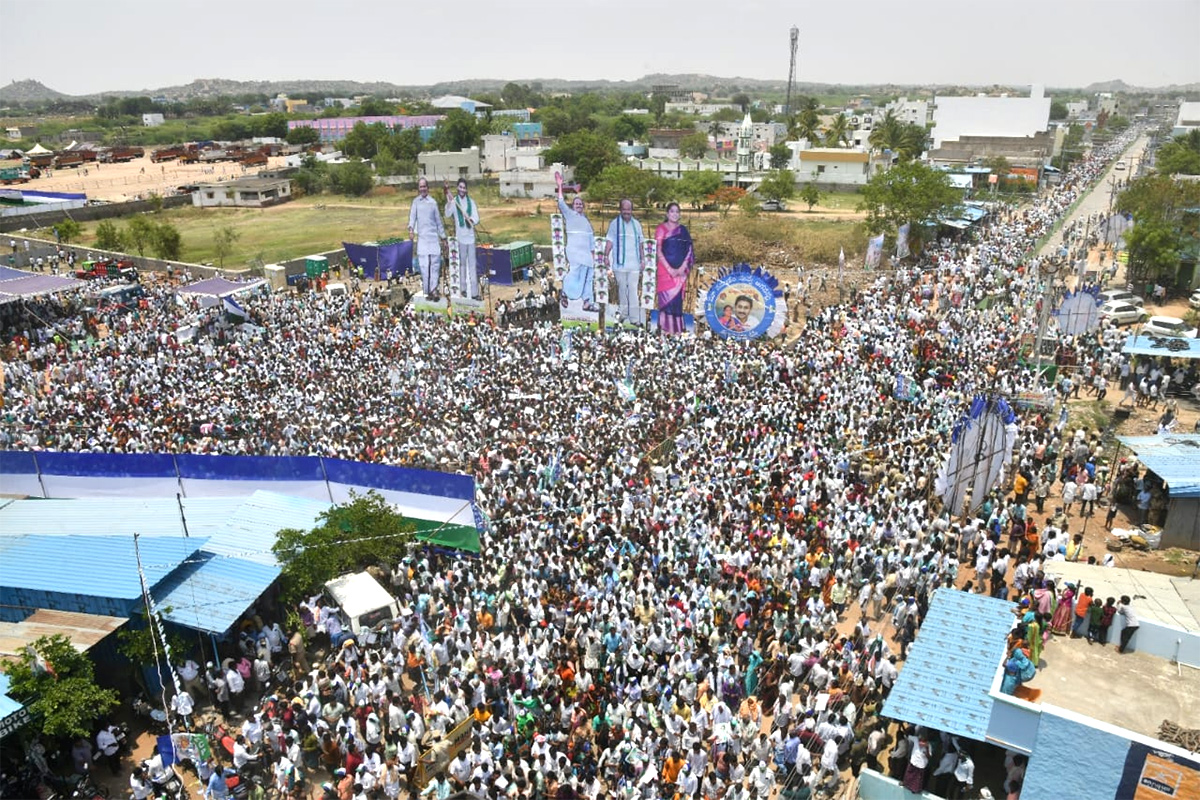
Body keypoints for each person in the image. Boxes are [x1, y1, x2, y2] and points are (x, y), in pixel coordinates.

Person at [555, 172, 597, 312]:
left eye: (580, 204)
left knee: (589, 276)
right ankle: (565, 294)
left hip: (586, 254)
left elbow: (591, 241)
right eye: (576, 203)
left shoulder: (586, 222)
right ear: (573, 206)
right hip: (574, 252)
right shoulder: (570, 215)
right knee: (575, 275)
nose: (579, 205)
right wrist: (560, 185)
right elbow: (561, 203)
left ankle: (587, 301)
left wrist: (593, 256)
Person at [655, 202, 694, 333]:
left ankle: (676, 330)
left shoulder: (683, 230)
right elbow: (658, 250)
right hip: (665, 273)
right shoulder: (661, 229)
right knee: (666, 302)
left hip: (680, 274)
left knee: (677, 302)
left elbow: (689, 250)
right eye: (672, 211)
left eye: (677, 211)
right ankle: (664, 330)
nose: (675, 214)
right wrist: (670, 269)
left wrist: (682, 267)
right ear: (667, 214)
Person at [605, 198, 645, 323]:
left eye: (629, 209)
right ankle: (624, 315)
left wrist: (643, 259)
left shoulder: (637, 224)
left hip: (634, 264)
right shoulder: (614, 224)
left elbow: (641, 243)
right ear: (620, 209)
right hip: (619, 265)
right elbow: (609, 241)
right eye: (624, 209)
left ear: (632, 210)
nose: (627, 212)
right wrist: (606, 256)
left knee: (633, 290)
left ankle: (634, 318)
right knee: (622, 289)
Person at [408, 178, 447, 300]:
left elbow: (439, 222)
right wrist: (411, 230)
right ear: (418, 189)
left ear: (427, 188)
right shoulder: (416, 203)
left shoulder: (433, 202)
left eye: (424, 186)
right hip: (422, 239)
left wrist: (444, 238)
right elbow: (412, 218)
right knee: (424, 266)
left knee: (435, 265)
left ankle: (434, 290)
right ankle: (427, 291)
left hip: (433, 238)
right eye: (421, 187)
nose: (423, 189)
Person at [444, 179, 481, 300]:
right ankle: (463, 290)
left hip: (470, 239)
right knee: (462, 266)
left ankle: (475, 293)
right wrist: (449, 201)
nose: (462, 190)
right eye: (460, 187)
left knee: (472, 266)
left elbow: (476, 218)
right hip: (460, 240)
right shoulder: (455, 202)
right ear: (457, 188)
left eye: (464, 187)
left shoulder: (472, 202)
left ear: (466, 189)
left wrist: (470, 219)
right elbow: (448, 214)